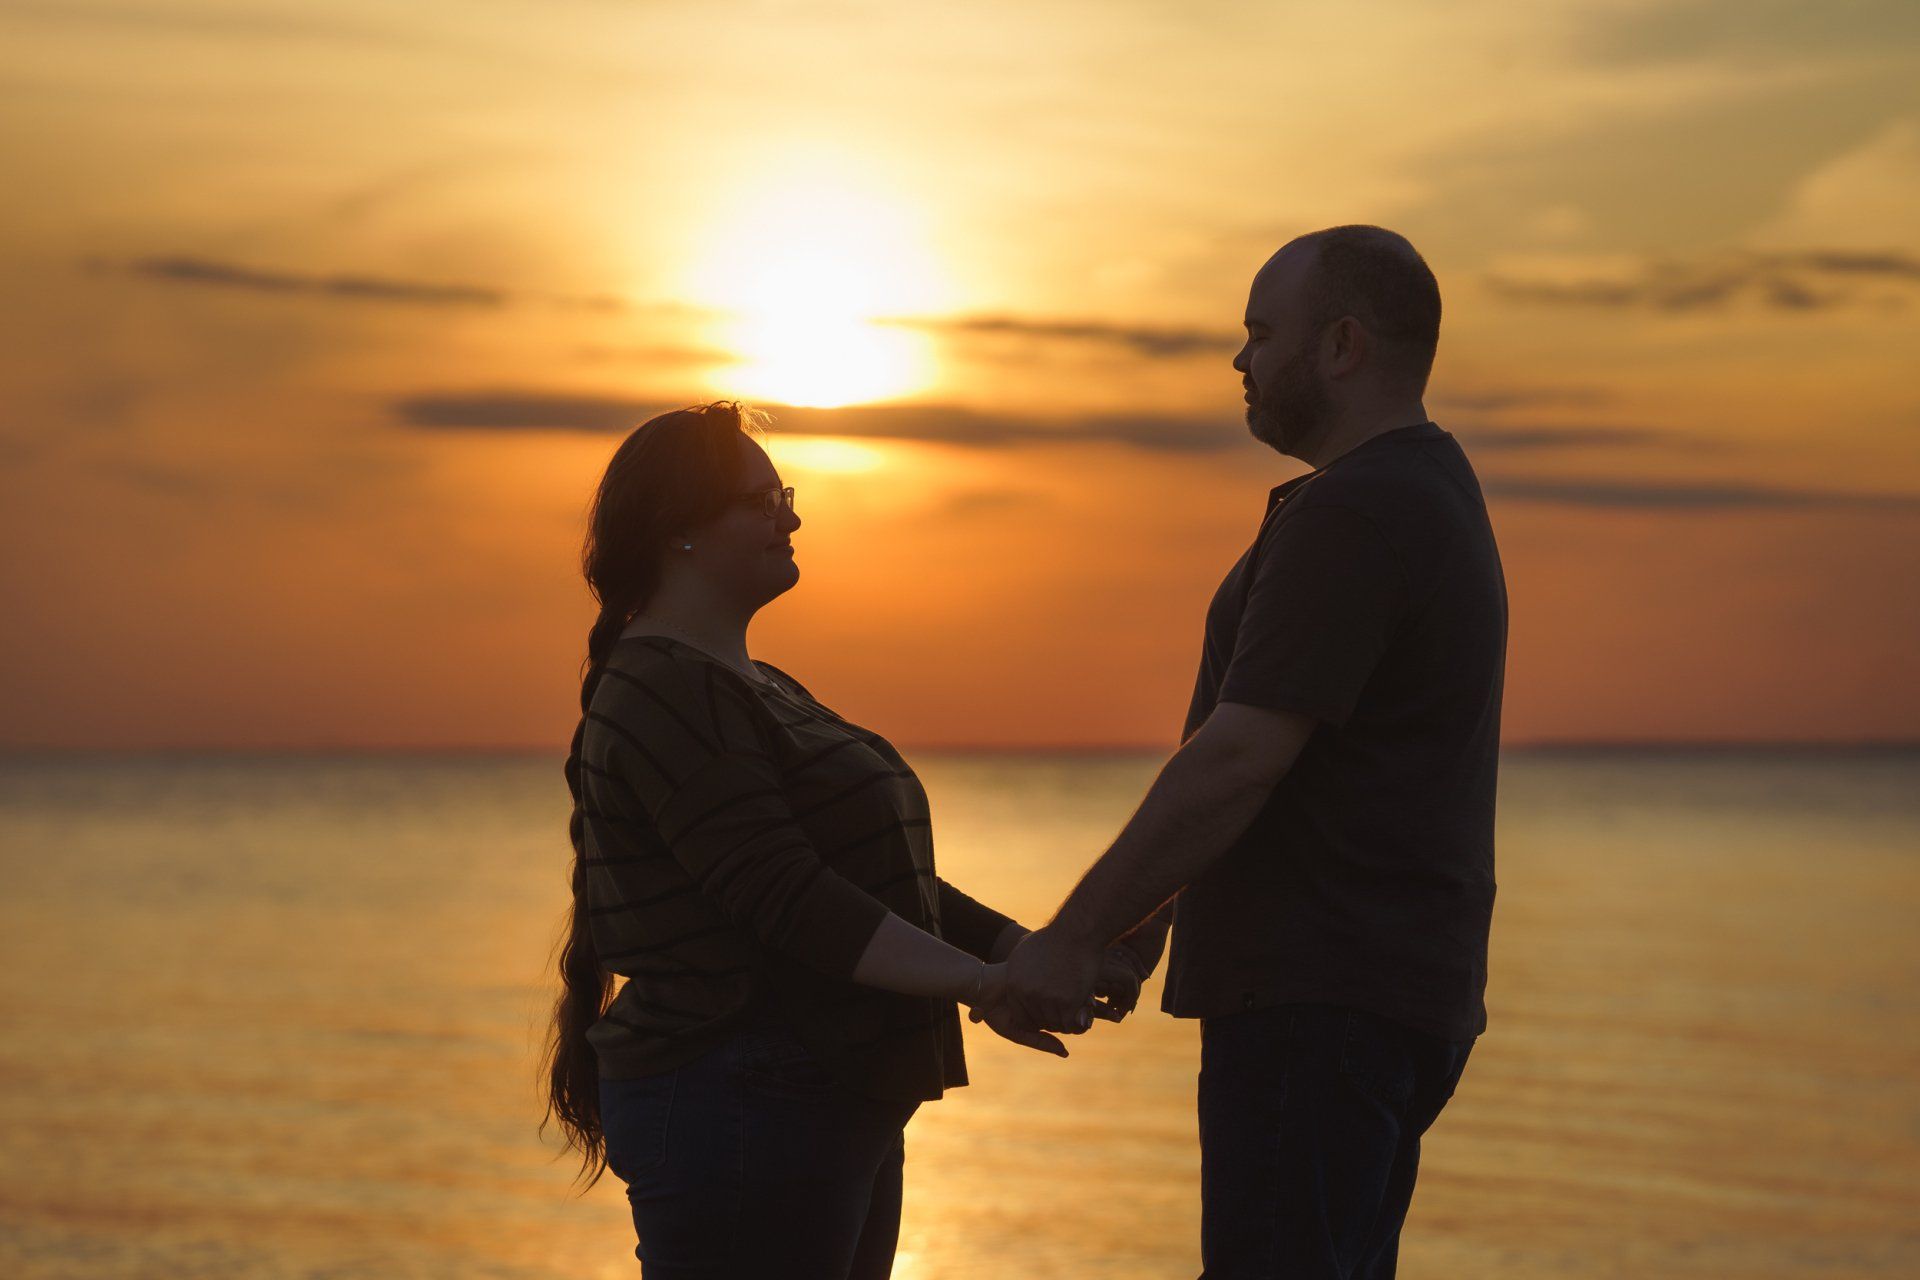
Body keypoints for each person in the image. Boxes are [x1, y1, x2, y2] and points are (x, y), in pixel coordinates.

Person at [983, 225, 1509, 1279]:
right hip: (1374, 993)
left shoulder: (1358, 509)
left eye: (1262, 333)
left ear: (1342, 346)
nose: (1241, 360)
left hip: (1321, 1005)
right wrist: (1143, 921)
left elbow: (1242, 756)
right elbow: (1303, 770)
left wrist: (1070, 933)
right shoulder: (1422, 489)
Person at [540, 400, 1151, 1280]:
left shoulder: (755, 684)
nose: (791, 515)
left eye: (784, 492)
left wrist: (1030, 948)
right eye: (761, 500)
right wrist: (989, 983)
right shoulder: (661, 690)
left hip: (826, 1093)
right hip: (744, 1092)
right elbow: (789, 896)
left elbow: (885, 881)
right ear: (679, 530)